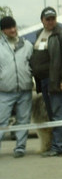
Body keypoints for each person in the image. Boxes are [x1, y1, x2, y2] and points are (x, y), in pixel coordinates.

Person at [29, 7, 62, 156]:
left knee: (59, 114)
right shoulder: (39, 34)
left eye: (53, 19)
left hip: (57, 81)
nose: (50, 22)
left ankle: (58, 146)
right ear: (42, 20)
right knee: (52, 114)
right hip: (43, 81)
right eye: (47, 19)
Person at [0, 16, 33, 158]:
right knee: (1, 120)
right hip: (5, 91)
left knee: (23, 120)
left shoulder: (27, 45)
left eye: (14, 27)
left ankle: (20, 147)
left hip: (25, 90)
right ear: (2, 31)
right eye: (9, 28)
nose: (13, 30)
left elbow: (33, 65)